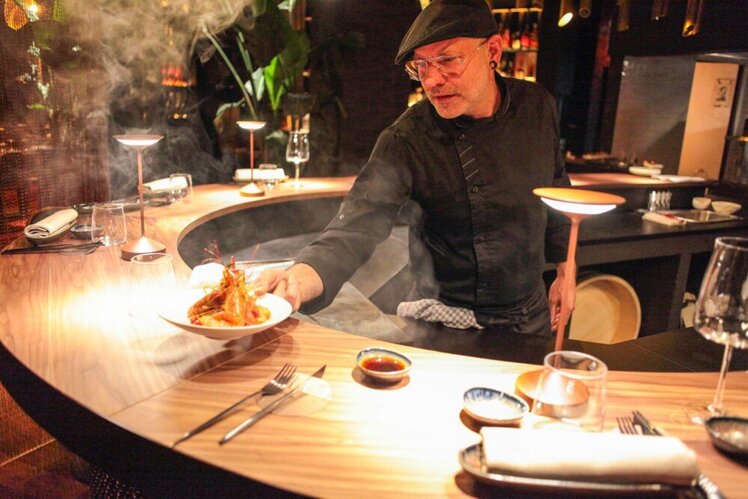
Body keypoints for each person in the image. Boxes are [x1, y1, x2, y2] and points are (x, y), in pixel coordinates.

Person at [256, 0, 574, 336]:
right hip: (445, 323)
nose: (432, 80)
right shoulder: (407, 139)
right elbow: (355, 229)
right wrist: (295, 280)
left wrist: (566, 268)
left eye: (447, 60)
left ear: (492, 50)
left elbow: (555, 186)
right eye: (421, 66)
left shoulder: (537, 105)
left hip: (531, 316)